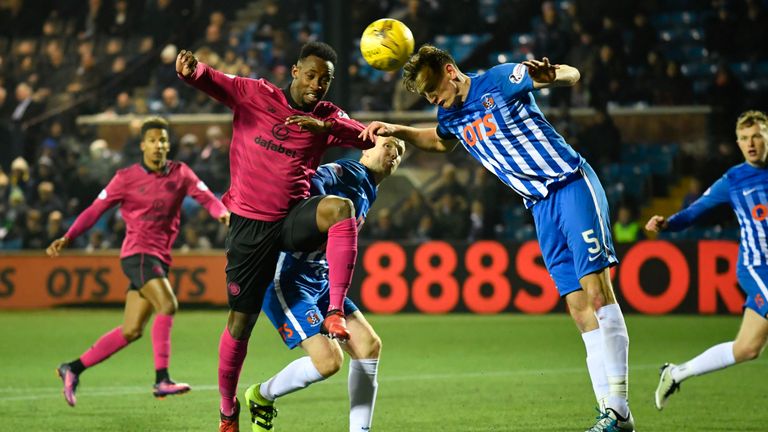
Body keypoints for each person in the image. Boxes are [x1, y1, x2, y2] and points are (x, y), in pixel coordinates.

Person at [359, 45, 634, 431]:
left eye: (433, 88)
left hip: (570, 183)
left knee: (598, 292)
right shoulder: (449, 113)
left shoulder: (500, 79)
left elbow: (571, 72)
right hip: (539, 205)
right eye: (425, 95)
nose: (432, 98)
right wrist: (396, 129)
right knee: (577, 307)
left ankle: (619, 408)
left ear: (451, 71)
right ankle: (611, 409)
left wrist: (554, 75)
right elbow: (440, 141)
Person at [175, 42, 374, 430]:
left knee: (339, 209)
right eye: (312, 75)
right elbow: (213, 80)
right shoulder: (255, 94)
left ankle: (334, 311)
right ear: (295, 71)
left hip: (292, 218)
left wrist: (326, 127)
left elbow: (365, 138)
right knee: (240, 323)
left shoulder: (327, 116)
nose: (318, 85)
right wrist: (190, 71)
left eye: (326, 80)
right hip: (250, 227)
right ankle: (227, 410)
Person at [48, 117, 230, 407]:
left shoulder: (181, 173)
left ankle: (72, 368)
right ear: (143, 145)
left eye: (163, 141)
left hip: (160, 256)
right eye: (154, 140)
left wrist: (222, 213)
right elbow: (96, 210)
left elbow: (207, 198)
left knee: (131, 330)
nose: (159, 145)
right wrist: (69, 236)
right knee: (168, 304)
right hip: (138, 254)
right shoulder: (125, 178)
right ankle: (162, 379)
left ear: (168, 145)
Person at [238, 136, 405, 432]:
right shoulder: (346, 171)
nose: (394, 153)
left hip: (319, 277)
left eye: (400, 151)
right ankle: (262, 396)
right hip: (286, 278)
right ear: (366, 149)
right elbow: (315, 178)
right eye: (388, 145)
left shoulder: (369, 188)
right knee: (329, 361)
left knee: (368, 346)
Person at [646, 110, 768, 412]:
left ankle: (675, 373)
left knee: (748, 348)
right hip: (756, 265)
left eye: (756, 136)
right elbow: (696, 210)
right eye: (743, 138)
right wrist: (668, 224)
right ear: (738, 143)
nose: (750, 143)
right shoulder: (734, 179)